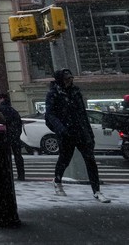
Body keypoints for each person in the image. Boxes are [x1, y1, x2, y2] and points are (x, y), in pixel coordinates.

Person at [45, 68, 110, 203]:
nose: (69, 81)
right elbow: (50, 114)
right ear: (60, 80)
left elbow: (82, 113)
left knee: (90, 159)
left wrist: (89, 132)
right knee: (65, 159)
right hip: (66, 133)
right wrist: (61, 129)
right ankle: (57, 181)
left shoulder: (75, 92)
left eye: (70, 78)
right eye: (67, 79)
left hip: (80, 130)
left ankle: (96, 191)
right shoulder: (53, 94)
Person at [0, 93, 25, 181]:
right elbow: (19, 123)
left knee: (5, 156)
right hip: (15, 135)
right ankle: (21, 175)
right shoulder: (13, 110)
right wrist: (17, 134)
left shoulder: (0, 109)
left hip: (5, 136)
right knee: (18, 156)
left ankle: (7, 175)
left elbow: (0, 122)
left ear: (2, 99)